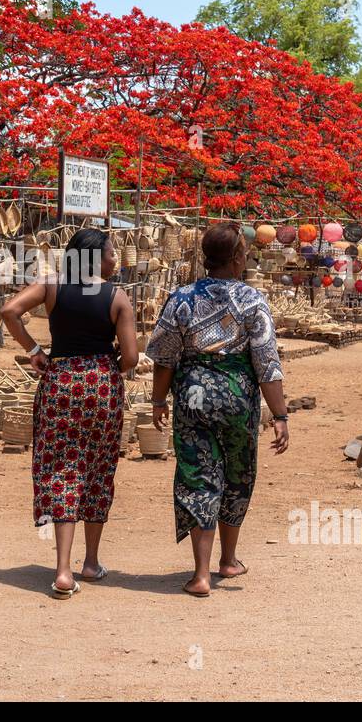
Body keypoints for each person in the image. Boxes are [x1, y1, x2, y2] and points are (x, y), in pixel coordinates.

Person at [146, 222, 290, 598]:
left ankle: (200, 575)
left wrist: (159, 400)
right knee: (237, 473)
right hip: (237, 399)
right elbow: (266, 362)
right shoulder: (252, 301)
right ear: (239, 259)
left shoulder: (181, 298)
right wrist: (280, 415)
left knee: (198, 474)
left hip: (193, 397)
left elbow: (164, 357)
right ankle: (228, 560)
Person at [0, 228, 138, 599]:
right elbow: (131, 357)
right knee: (98, 468)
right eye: (112, 253)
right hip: (102, 387)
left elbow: (9, 311)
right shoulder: (117, 297)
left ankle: (62, 570)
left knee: (62, 468)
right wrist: (107, 368)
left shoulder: (51, 286)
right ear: (97, 257)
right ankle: (90, 563)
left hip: (59, 384)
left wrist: (33, 349)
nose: (116, 259)